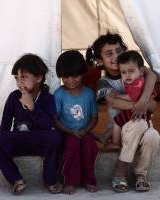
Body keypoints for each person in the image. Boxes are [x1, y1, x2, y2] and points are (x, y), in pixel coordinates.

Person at [86, 33, 160, 192]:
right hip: (119, 129)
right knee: (138, 123)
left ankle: (141, 173)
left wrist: (143, 101)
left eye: (119, 51)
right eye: (109, 54)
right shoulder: (103, 82)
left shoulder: (134, 68)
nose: (116, 56)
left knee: (153, 136)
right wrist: (142, 105)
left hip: (143, 123)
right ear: (100, 60)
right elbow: (115, 102)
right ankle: (120, 168)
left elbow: (152, 77)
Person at [0, 54, 62, 195]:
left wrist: (32, 107)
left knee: (55, 137)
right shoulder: (14, 97)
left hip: (39, 141)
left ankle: (50, 180)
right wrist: (3, 141)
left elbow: (49, 124)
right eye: (16, 78)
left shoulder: (48, 98)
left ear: (39, 77)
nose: (19, 82)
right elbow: (5, 126)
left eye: (24, 77)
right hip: (19, 140)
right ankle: (16, 179)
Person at [54, 50, 98, 195]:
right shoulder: (59, 94)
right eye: (66, 76)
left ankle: (88, 179)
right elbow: (55, 119)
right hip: (66, 134)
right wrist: (70, 131)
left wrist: (85, 131)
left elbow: (94, 118)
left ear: (83, 72)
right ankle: (70, 181)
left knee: (90, 144)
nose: (71, 80)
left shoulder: (89, 94)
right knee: (72, 144)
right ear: (60, 75)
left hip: (85, 132)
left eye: (75, 75)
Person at [107, 50, 157, 149]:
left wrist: (119, 96)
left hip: (136, 110)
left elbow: (132, 97)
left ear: (141, 71)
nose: (127, 75)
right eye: (123, 72)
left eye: (131, 71)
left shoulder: (136, 83)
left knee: (117, 121)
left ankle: (115, 143)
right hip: (143, 109)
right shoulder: (141, 79)